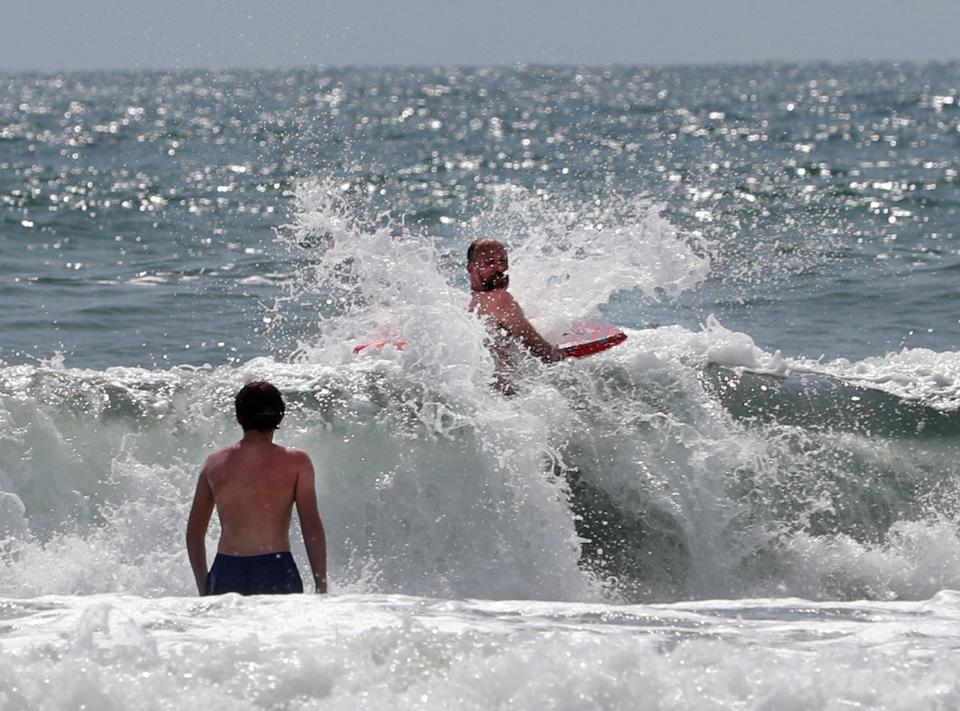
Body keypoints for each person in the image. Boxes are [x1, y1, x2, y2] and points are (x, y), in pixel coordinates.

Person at [185, 381, 327, 595]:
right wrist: (321, 584)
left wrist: (204, 587)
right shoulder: (297, 462)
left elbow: (194, 534)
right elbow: (312, 528)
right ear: (280, 416)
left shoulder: (214, 464)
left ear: (239, 417)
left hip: (227, 569)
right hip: (276, 567)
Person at [467, 238, 566, 391]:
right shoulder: (499, 299)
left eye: (502, 260)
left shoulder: (469, 305)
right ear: (471, 268)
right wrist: (567, 355)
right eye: (489, 262)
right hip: (509, 397)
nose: (499, 267)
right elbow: (542, 352)